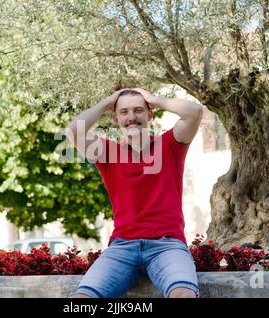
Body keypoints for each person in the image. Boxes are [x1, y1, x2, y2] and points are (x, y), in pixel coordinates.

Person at [65, 87, 203, 298]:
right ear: (115, 118)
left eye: (138, 110)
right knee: (81, 300)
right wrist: (106, 103)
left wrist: (155, 99)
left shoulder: (170, 145)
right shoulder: (108, 153)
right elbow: (74, 131)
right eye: (124, 112)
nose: (131, 117)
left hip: (166, 245)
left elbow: (195, 111)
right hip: (122, 248)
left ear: (149, 114)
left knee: (183, 294)